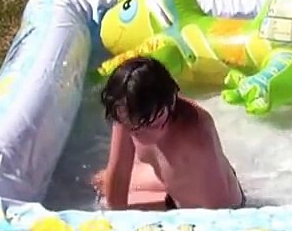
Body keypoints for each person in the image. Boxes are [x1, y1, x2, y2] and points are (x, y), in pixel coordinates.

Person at [91, 56, 245, 211]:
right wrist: (117, 218)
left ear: (171, 101)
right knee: (100, 182)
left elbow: (222, 211)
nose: (142, 135)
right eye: (132, 128)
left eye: (152, 125)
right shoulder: (127, 109)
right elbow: (119, 176)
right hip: (172, 185)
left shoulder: (196, 138)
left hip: (205, 204)